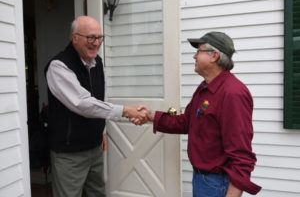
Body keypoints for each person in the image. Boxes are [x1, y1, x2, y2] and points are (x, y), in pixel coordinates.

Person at [140, 32, 262, 196]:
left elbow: (241, 154)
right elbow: (185, 122)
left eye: (199, 51)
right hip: (203, 179)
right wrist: (151, 116)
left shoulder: (232, 94)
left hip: (218, 183)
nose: (194, 56)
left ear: (214, 56)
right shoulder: (205, 88)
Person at [45, 16, 147, 197]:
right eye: (91, 37)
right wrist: (126, 111)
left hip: (95, 147)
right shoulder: (59, 66)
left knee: (97, 193)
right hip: (70, 153)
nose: (97, 43)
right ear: (75, 37)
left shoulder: (97, 62)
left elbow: (101, 98)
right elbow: (83, 103)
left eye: (100, 37)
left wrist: (102, 131)